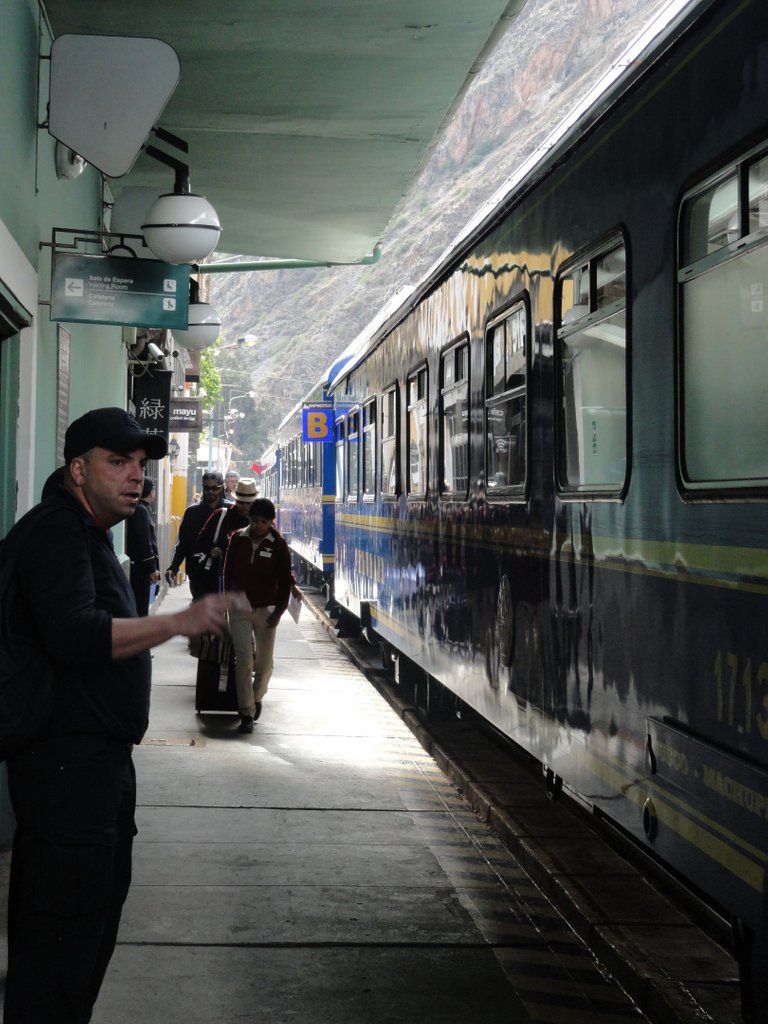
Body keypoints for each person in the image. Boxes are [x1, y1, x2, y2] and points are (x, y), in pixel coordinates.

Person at [1, 407, 245, 1024]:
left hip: (90, 769)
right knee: (61, 943)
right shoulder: (57, 531)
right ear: (77, 470)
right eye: (118, 462)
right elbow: (74, 636)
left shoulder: (85, 533)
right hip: (66, 772)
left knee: (82, 935)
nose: (137, 477)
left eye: (141, 465)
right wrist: (177, 622)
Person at [223, 497, 292, 733]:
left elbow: (284, 581)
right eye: (254, 521)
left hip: (266, 611)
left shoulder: (278, 545)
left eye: (263, 522)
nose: (258, 526)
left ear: (271, 522)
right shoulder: (237, 539)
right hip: (239, 608)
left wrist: (280, 611)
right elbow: (227, 572)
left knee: (264, 665)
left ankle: (256, 698)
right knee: (243, 661)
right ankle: (246, 714)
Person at [166, 470, 231, 597]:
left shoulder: (231, 511)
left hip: (223, 571)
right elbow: (182, 543)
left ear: (221, 487)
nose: (210, 491)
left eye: (214, 488)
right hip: (198, 572)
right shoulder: (192, 512)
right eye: (207, 488)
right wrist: (173, 567)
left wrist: (223, 550)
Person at [194, 477, 258, 582]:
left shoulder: (260, 521)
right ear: (236, 500)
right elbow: (200, 541)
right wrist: (212, 549)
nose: (244, 507)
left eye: (248, 503)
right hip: (219, 578)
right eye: (241, 502)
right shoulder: (221, 515)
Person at [125, 476, 160, 615]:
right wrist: (152, 568)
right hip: (140, 569)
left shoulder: (143, 509)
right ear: (151, 492)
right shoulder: (140, 510)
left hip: (142, 568)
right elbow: (145, 542)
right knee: (141, 608)